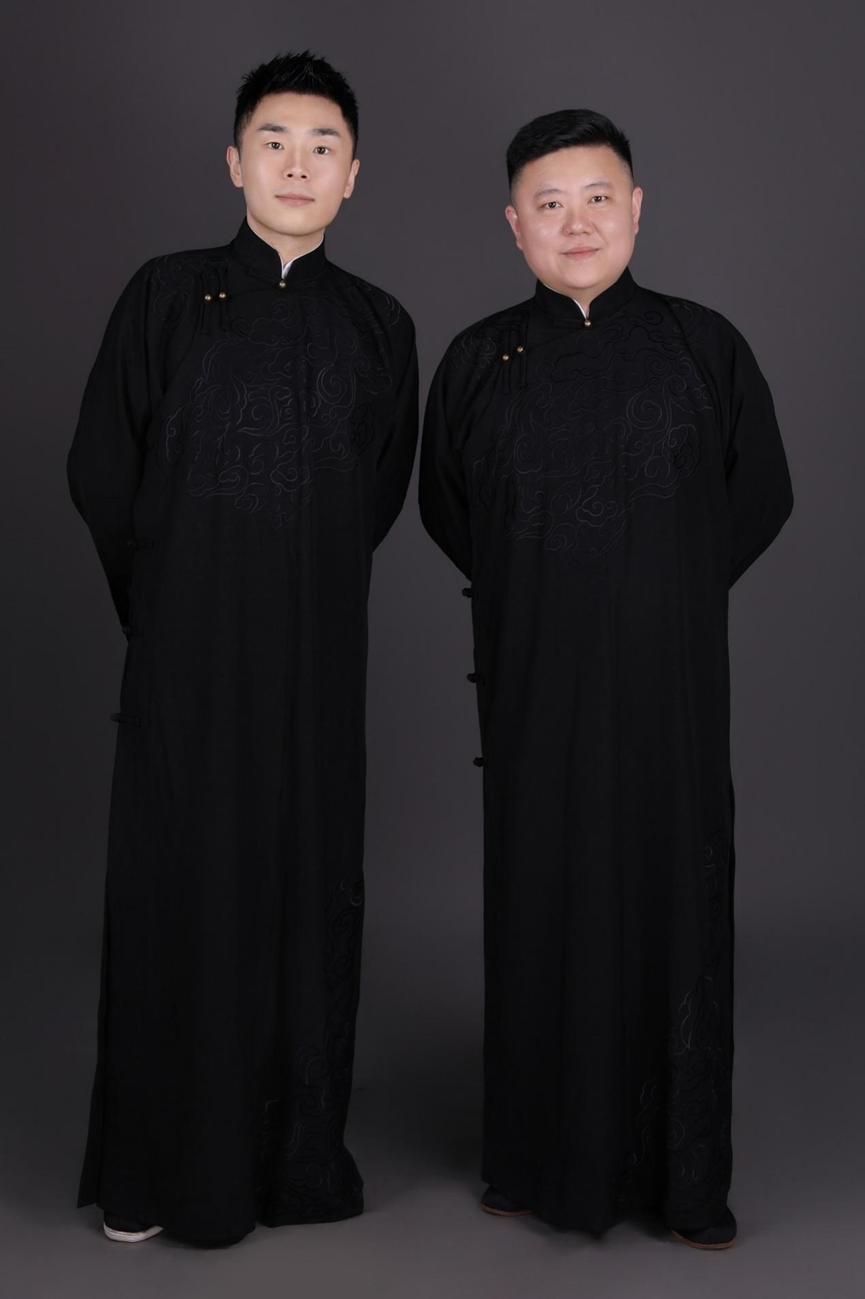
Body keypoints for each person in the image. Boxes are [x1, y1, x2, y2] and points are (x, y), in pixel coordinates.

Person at [419, 108, 792, 1250]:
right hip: (533, 684)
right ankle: (536, 1161)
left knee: (674, 901)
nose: (575, 223)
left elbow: (759, 494)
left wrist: (662, 586)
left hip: (668, 692)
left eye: (596, 198)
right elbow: (448, 509)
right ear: (513, 224)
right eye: (549, 204)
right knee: (540, 900)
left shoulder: (701, 345)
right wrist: (548, 590)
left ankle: (681, 1176)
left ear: (635, 208)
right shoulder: (478, 361)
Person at [68, 51, 418, 1245]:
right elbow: (102, 469)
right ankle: (154, 1176)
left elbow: (377, 494)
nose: (298, 164)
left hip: (316, 665)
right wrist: (170, 606)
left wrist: (295, 590)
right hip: (186, 660)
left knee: (304, 897)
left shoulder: (379, 325)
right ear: (233, 161)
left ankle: (292, 1164)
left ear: (353, 174)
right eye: (275, 141)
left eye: (324, 146)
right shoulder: (165, 297)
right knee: (177, 896)